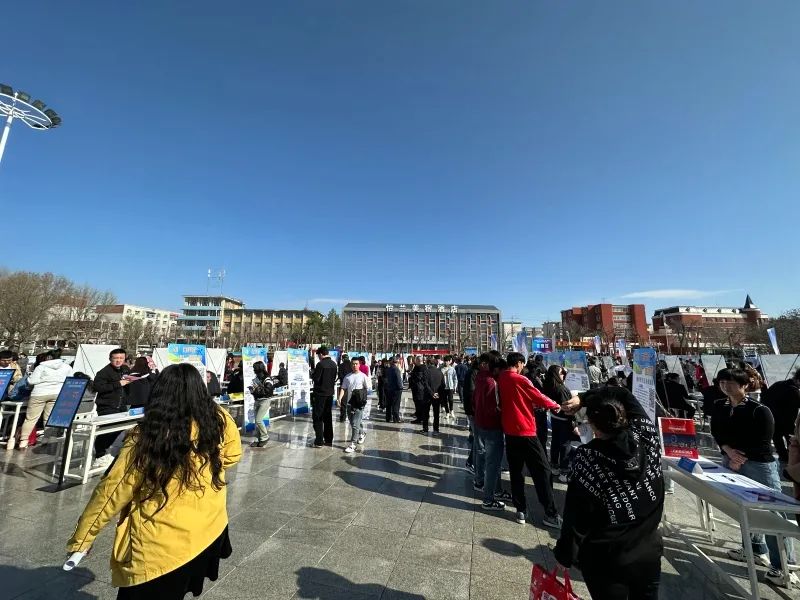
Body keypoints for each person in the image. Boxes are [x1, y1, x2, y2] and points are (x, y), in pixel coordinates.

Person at [67, 364, 242, 599]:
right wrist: (203, 468)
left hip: (161, 545)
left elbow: (112, 492)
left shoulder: (149, 436)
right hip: (210, 528)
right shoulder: (218, 419)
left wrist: (82, 539)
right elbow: (232, 454)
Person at [554, 386, 665, 599]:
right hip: (647, 551)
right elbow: (623, 393)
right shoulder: (647, 435)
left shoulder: (589, 457)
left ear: (593, 425)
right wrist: (584, 399)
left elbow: (576, 514)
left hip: (605, 556)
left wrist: (565, 554)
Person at [710, 368, 797, 587]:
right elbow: (716, 431)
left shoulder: (759, 410)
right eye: (722, 382)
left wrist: (739, 457)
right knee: (744, 508)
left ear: (745, 385)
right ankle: (755, 549)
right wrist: (728, 451)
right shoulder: (720, 406)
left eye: (731, 382)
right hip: (730, 460)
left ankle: (783, 565)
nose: (726, 386)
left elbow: (763, 439)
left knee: (773, 513)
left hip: (758, 465)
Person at [498, 352, 564, 528]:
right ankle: (550, 513)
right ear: (519, 363)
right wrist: (555, 405)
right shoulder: (521, 379)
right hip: (526, 431)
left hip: (510, 432)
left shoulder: (502, 377)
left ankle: (521, 510)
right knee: (543, 472)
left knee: (516, 472)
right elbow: (537, 395)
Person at [473, 353, 513, 510]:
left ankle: (496, 490)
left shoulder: (480, 378)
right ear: (496, 369)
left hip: (480, 423)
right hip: (492, 427)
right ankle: (488, 499)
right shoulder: (491, 382)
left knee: (485, 457)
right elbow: (493, 408)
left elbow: (474, 400)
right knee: (493, 464)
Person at [17, 352, 73, 449]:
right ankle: (46, 439)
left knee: (31, 418)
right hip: (57, 393)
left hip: (39, 393)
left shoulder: (41, 367)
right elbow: (70, 380)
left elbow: (31, 381)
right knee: (48, 418)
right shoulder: (67, 367)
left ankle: (23, 441)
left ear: (48, 357)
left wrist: (42, 380)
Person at [92, 349, 132, 468]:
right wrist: (118, 384)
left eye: (121, 358)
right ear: (110, 359)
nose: (118, 360)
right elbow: (97, 387)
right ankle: (99, 453)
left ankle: (104, 449)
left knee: (120, 427)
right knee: (107, 429)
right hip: (107, 406)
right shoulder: (104, 372)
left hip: (121, 405)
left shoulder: (125, 370)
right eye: (116, 358)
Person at [542, 365, 577, 481]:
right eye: (562, 373)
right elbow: (568, 408)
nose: (564, 375)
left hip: (554, 418)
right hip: (564, 420)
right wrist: (574, 423)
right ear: (556, 375)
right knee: (565, 445)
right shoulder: (561, 389)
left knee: (555, 442)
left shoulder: (549, 386)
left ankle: (554, 466)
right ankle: (564, 471)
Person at [763, 369, 800, 466]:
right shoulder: (793, 390)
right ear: (798, 380)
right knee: (792, 440)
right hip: (787, 421)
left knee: (777, 439)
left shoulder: (778, 384)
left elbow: (764, 397)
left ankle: (783, 457)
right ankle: (791, 459)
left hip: (772, 418)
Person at [337, 357, 371, 453]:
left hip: (359, 404)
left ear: (359, 365)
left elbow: (367, 389)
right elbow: (343, 388)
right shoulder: (347, 377)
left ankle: (353, 444)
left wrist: (362, 398)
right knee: (353, 422)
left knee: (355, 424)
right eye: (353, 364)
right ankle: (362, 433)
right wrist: (339, 398)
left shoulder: (363, 376)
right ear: (351, 365)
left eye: (356, 364)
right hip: (349, 403)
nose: (354, 365)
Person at [310, 346, 338, 448]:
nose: (318, 357)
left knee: (318, 417)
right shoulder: (334, 364)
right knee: (328, 417)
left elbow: (317, 379)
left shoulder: (320, 364)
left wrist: (312, 374)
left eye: (318, 355)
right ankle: (328, 439)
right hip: (330, 394)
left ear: (321, 354)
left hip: (320, 394)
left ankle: (319, 441)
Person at [249, 361, 273, 448]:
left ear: (259, 369)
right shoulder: (256, 378)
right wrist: (252, 390)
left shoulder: (267, 379)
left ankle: (265, 437)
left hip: (265, 400)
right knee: (256, 421)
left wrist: (257, 390)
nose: (254, 370)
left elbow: (268, 391)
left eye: (255, 368)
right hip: (257, 400)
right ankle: (258, 439)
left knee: (258, 420)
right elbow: (256, 390)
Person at [421, 357, 445, 435]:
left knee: (426, 413)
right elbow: (443, 385)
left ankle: (425, 429)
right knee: (436, 413)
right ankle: (436, 430)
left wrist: (431, 393)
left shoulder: (426, 372)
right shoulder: (440, 372)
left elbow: (425, 384)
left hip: (427, 395)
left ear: (428, 364)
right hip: (437, 396)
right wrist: (437, 393)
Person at [462, 357, 478, 473]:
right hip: (473, 410)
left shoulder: (472, 372)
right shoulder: (473, 373)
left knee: (478, 438)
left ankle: (472, 462)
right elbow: (472, 393)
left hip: (472, 410)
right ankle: (470, 462)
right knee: (479, 438)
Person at [384, 357, 404, 423]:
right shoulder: (396, 369)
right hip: (396, 389)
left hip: (389, 388)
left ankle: (388, 418)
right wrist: (401, 387)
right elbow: (398, 380)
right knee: (396, 404)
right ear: (396, 362)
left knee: (389, 404)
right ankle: (396, 418)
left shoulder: (389, 369)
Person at [409, 357, 427, 425]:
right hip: (417, 388)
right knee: (417, 403)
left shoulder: (422, 368)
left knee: (419, 404)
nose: (414, 362)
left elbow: (417, 378)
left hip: (419, 389)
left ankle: (419, 418)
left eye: (415, 361)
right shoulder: (417, 367)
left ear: (419, 361)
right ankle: (419, 416)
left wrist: (411, 376)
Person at [441, 356, 458, 421]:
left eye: (447, 361)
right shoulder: (441, 368)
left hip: (450, 387)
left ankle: (451, 411)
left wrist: (455, 387)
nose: (446, 362)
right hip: (443, 387)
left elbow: (455, 378)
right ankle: (447, 413)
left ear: (449, 361)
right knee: (445, 400)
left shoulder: (452, 369)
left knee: (450, 399)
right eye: (445, 361)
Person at [337, 354, 351, 423]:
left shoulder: (341, 365)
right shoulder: (352, 365)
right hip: (352, 386)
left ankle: (343, 417)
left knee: (343, 402)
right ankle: (351, 416)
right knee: (352, 402)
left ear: (343, 359)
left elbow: (340, 375)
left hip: (343, 385)